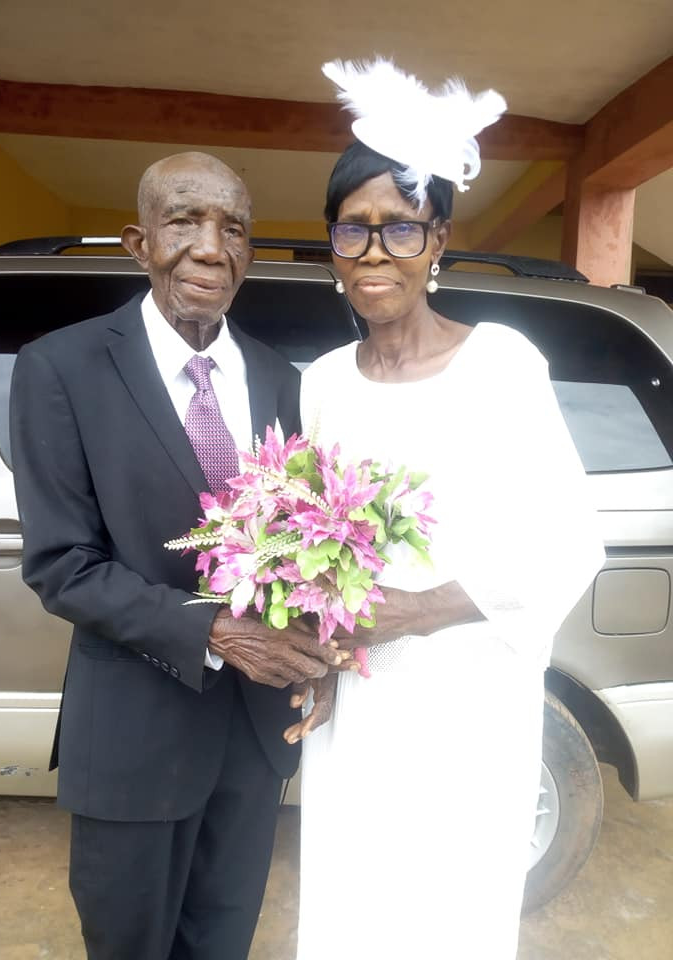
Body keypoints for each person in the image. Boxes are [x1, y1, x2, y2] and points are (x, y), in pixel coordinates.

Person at [291, 61, 605, 960]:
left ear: (439, 241)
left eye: (400, 227)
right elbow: (313, 543)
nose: (375, 252)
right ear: (332, 246)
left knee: (448, 907)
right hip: (360, 706)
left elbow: (566, 544)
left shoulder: (501, 365)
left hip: (469, 700)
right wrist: (313, 651)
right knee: (355, 900)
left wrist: (416, 610)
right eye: (353, 229)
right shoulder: (323, 384)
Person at [9, 151, 345, 960]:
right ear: (139, 243)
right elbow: (62, 564)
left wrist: (318, 647)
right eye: (184, 221)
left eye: (234, 229)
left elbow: (300, 546)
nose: (210, 248)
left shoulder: (282, 381)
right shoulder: (61, 367)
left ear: (250, 252)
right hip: (133, 734)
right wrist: (216, 632)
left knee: (222, 943)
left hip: (253, 738)